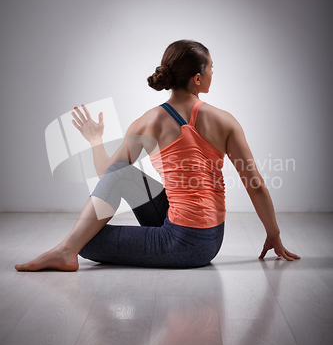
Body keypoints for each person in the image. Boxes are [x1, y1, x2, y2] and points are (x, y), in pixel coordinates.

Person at [15, 40, 300, 272]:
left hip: (182, 244)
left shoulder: (148, 122)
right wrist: (273, 234)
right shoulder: (225, 120)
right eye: (212, 68)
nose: (214, 73)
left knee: (86, 241)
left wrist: (94, 141)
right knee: (118, 180)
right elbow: (256, 184)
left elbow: (107, 173)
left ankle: (67, 251)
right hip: (213, 238)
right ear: (198, 78)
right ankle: (68, 249)